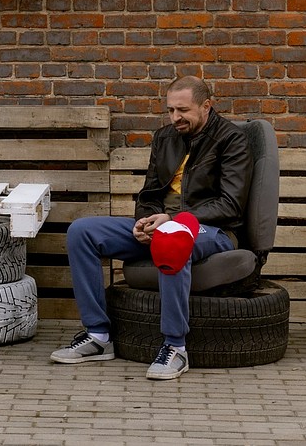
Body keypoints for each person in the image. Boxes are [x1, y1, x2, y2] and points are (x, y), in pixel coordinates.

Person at [50, 76, 251, 380]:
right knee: (82, 231)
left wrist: (171, 221)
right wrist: (145, 221)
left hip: (211, 230)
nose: (175, 118)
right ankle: (98, 337)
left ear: (206, 106)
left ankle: (176, 347)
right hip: (163, 224)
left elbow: (230, 205)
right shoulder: (165, 138)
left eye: (182, 110)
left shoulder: (232, 139)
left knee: (172, 238)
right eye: (170, 110)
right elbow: (149, 194)